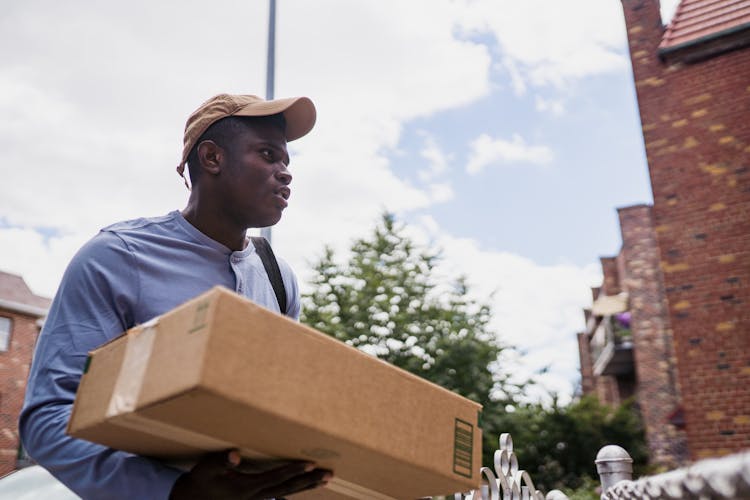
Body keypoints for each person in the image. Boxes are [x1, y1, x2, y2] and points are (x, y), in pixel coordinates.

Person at [20, 93, 332, 499]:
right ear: (212, 158)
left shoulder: (278, 277)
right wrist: (175, 491)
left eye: (287, 162)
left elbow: (281, 413)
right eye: (269, 154)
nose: (285, 173)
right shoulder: (116, 257)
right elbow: (49, 417)